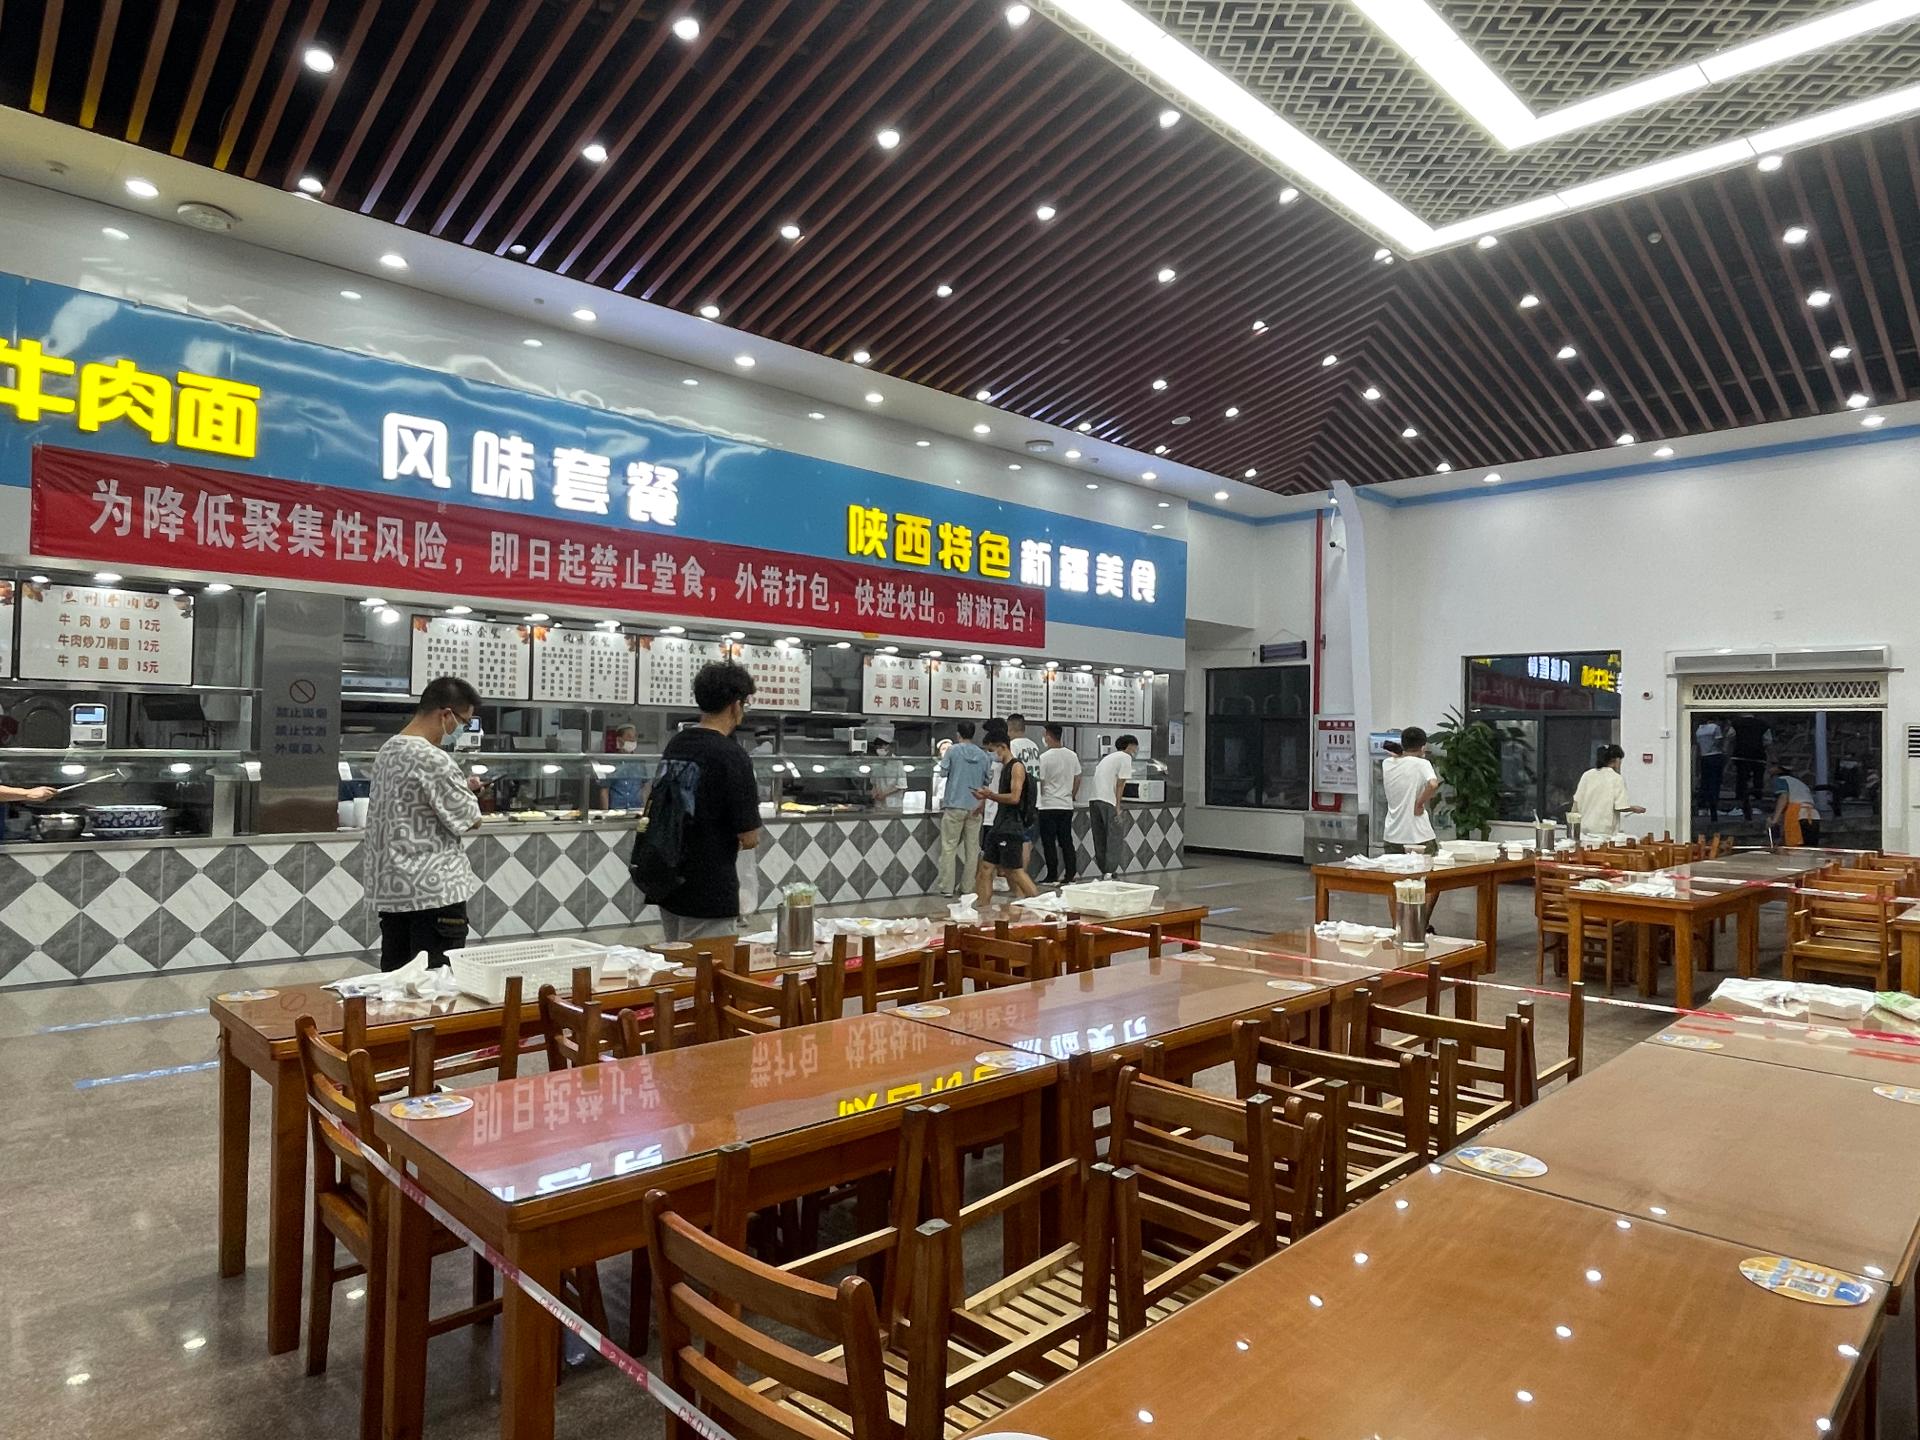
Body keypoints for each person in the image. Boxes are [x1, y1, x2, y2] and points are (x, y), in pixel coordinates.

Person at [365, 676, 484, 971]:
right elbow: (470, 819)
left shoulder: (387, 750)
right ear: (446, 715)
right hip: (435, 894)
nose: (460, 730)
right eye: (463, 722)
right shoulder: (433, 758)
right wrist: (471, 794)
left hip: (394, 892)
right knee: (436, 987)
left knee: (396, 984)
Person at [653, 660, 762, 941]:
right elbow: (749, 837)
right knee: (709, 965)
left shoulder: (677, 743)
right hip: (709, 888)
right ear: (735, 705)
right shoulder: (732, 755)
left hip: (669, 882)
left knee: (678, 962)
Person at [973, 720, 1038, 906]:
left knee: (1014, 871)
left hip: (1011, 825)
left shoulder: (1016, 767)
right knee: (986, 868)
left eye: (991, 750)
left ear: (1002, 747)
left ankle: (1040, 903)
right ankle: (983, 907)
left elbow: (1015, 797)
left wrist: (990, 795)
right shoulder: (1003, 768)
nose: (991, 754)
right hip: (999, 823)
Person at [933, 721, 991, 896]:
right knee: (972, 850)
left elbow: (943, 772)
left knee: (949, 847)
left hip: (954, 805)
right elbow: (987, 780)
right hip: (975, 806)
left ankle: (946, 887)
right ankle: (967, 887)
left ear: (958, 734)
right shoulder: (982, 755)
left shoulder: (952, 750)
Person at [1036, 723, 1083, 884]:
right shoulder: (1072, 755)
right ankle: (1070, 875)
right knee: (1066, 841)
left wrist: (1042, 796)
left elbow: (1041, 781)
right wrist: (1072, 795)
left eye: (1045, 735)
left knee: (1049, 842)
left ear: (1048, 736)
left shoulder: (1044, 758)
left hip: (1048, 805)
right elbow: (1078, 778)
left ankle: (1052, 875)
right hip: (1066, 805)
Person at [1571, 744, 1645, 840]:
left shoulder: (1587, 775)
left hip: (1584, 833)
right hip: (1604, 835)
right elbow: (1621, 806)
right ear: (1616, 760)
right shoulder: (1616, 778)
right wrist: (1634, 808)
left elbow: (1576, 804)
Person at [1090, 734, 1137, 880]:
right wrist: (1118, 806)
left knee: (1100, 837)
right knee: (1114, 837)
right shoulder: (1125, 757)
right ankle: (1110, 871)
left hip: (1094, 799)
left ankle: (1104, 870)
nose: (1135, 750)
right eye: (1135, 747)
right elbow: (1120, 784)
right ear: (1130, 746)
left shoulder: (1108, 758)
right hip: (1108, 800)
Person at [1007, 713, 1042, 869]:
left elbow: (1011, 771)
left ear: (1009, 728)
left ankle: (1019, 875)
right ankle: (1023, 874)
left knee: (1020, 841)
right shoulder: (1033, 746)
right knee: (1027, 841)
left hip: (1020, 798)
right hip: (1035, 799)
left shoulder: (1013, 746)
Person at [598, 723, 650, 811]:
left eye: (634, 736)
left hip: (637, 809)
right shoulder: (611, 762)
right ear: (619, 739)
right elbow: (604, 791)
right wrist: (605, 813)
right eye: (629, 736)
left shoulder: (639, 762)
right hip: (616, 810)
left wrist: (645, 810)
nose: (633, 739)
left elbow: (645, 787)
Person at [1729, 714, 1771, 821]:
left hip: (1741, 754)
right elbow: (1768, 740)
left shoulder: (1736, 723)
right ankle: (1757, 797)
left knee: (1741, 777)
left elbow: (1730, 736)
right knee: (1758, 777)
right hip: (1758, 754)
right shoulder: (1763, 724)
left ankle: (1740, 797)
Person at [1770, 765, 1822, 846]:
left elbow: (1783, 797)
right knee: (1810, 848)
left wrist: (1774, 820)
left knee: (1796, 848)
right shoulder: (1799, 783)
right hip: (1813, 816)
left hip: (1798, 815)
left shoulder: (1781, 780)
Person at [1694, 715, 1726, 822]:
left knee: (1705, 781)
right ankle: (1714, 801)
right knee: (1715, 781)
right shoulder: (1715, 727)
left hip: (1704, 757)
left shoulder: (1699, 729)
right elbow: (1718, 741)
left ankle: (1704, 801)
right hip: (1715, 755)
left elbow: (1698, 744)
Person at [868, 736, 906, 811]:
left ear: (889, 747)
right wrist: (874, 793)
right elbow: (873, 783)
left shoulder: (898, 762)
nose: (879, 749)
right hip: (878, 804)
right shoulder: (875, 763)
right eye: (877, 747)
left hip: (893, 804)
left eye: (881, 746)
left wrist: (884, 794)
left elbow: (901, 785)